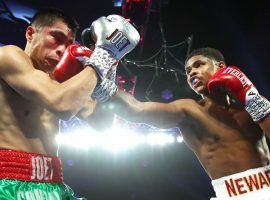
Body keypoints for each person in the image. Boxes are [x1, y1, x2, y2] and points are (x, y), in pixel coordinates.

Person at [0, 7, 139, 199]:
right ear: (30, 33)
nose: (61, 50)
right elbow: (62, 105)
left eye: (68, 44)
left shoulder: (62, 82)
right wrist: (103, 56)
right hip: (9, 183)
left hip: (54, 184)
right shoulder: (9, 56)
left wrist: (107, 74)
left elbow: (101, 122)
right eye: (55, 38)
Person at [100, 47, 270, 199]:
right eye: (188, 71)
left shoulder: (249, 105)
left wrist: (250, 96)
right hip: (231, 194)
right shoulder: (190, 110)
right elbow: (137, 110)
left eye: (199, 65)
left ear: (220, 67)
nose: (192, 73)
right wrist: (100, 80)